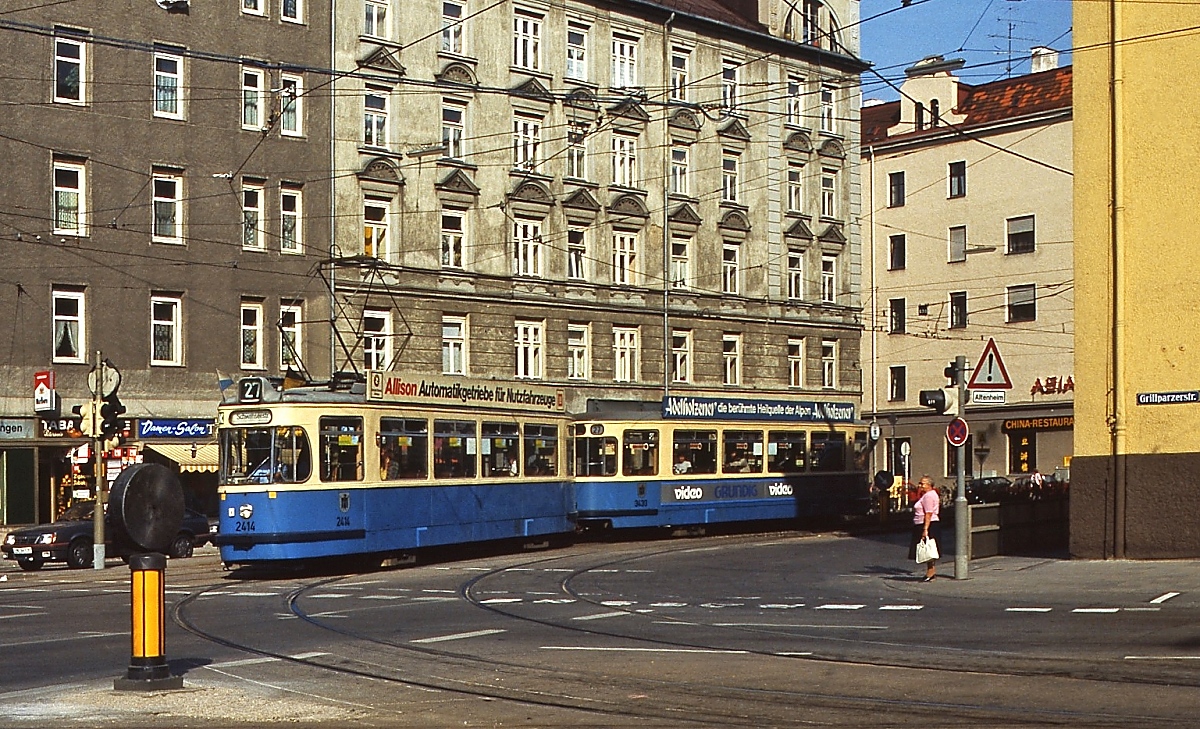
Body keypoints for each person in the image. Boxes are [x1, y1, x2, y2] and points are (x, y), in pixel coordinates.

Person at [908, 475, 940, 582]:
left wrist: (925, 529)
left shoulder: (928, 496)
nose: (920, 485)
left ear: (929, 485)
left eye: (922, 483)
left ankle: (930, 572)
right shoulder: (929, 495)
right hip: (926, 524)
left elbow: (928, 513)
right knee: (928, 548)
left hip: (926, 524)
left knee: (928, 548)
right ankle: (931, 572)